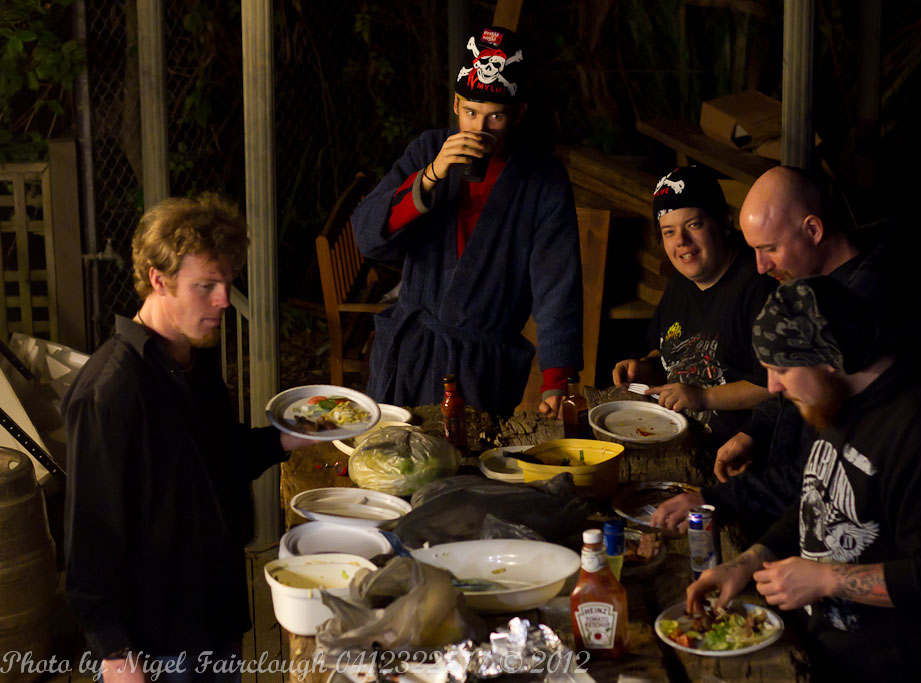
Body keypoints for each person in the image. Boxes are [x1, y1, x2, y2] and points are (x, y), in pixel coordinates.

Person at [62, 194, 316, 682]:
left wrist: (287, 437)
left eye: (227, 283)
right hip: (155, 641)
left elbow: (216, 459)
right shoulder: (110, 391)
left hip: (215, 613)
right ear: (159, 280)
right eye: (206, 286)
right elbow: (90, 538)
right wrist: (114, 651)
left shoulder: (194, 358)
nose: (224, 300)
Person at [686, 276, 921, 682]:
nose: (773, 387)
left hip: (889, 667)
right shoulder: (835, 397)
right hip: (815, 645)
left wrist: (824, 579)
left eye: (782, 369)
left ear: (829, 356)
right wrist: (746, 563)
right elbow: (813, 500)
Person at [651, 166, 897, 535]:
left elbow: (822, 469)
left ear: (813, 230)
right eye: (755, 250)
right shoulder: (810, 290)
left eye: (769, 249)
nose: (761, 266)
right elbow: (793, 405)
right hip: (789, 509)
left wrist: (724, 502)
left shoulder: (855, 316)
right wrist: (757, 430)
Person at [352, 26, 583, 417]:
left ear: (519, 113)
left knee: (471, 456)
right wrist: (431, 175)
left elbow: (557, 285)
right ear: (456, 104)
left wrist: (557, 380)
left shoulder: (543, 179)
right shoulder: (429, 149)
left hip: (482, 367)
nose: (479, 130)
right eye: (471, 112)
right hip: (410, 354)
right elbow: (368, 236)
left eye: (495, 116)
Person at [611, 166, 775, 443]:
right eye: (669, 232)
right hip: (676, 437)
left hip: (737, 450)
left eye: (693, 225)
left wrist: (704, 397)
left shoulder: (759, 285)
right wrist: (643, 368)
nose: (681, 241)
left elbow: (777, 385)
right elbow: (668, 355)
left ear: (724, 221)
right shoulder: (680, 284)